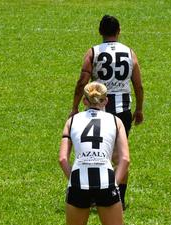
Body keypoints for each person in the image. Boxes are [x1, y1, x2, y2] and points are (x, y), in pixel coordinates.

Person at [57, 82, 136, 225]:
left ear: (84, 101)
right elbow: (125, 159)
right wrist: (115, 183)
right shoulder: (115, 121)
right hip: (106, 182)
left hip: (79, 183)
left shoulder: (72, 121)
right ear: (106, 101)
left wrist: (73, 179)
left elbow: (63, 158)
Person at [70, 15, 144, 210]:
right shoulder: (129, 52)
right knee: (120, 155)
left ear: (100, 31)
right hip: (122, 110)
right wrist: (139, 108)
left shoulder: (93, 52)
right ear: (118, 30)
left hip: (97, 106)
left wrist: (75, 106)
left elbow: (82, 82)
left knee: (97, 151)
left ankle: (94, 193)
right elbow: (138, 84)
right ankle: (118, 198)